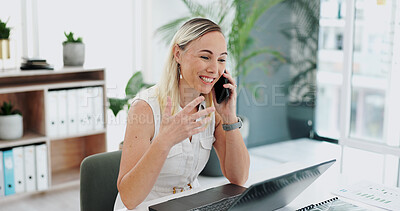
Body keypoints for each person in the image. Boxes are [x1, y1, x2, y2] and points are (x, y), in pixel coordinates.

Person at [114, 18, 250, 210]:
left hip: (189, 204)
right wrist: (164, 141)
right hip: (146, 206)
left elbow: (239, 178)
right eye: (205, 57)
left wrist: (230, 118)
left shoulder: (213, 108)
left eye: (221, 59)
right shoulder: (144, 107)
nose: (214, 69)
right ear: (178, 54)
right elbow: (129, 197)